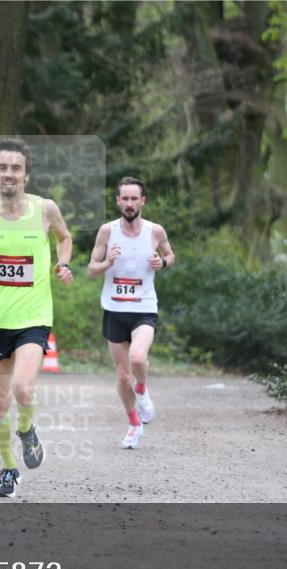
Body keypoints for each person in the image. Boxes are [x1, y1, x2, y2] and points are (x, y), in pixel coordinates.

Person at [0, 138, 73, 497]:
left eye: (15, 168)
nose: (8, 174)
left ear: (26, 175)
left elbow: (64, 237)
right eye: (2, 168)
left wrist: (64, 262)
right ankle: (9, 470)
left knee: (23, 389)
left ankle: (26, 430)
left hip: (33, 316)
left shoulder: (45, 209)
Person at [88, 177, 174, 449]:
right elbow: (91, 269)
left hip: (144, 308)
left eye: (133, 199)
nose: (129, 204)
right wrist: (108, 263)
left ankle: (142, 390)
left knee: (138, 357)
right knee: (123, 376)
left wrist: (162, 262)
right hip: (114, 309)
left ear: (142, 201)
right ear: (117, 201)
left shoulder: (155, 231)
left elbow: (170, 256)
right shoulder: (106, 231)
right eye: (124, 199)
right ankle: (134, 424)